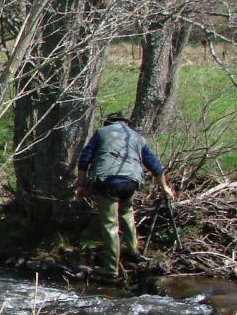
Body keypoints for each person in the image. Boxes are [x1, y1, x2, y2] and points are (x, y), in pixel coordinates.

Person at [75, 111, 175, 281]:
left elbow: (84, 160)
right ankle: (133, 250)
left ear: (108, 122)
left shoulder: (101, 133)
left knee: (109, 224)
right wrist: (164, 186)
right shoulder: (136, 137)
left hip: (107, 181)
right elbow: (155, 165)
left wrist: (81, 186)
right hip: (131, 182)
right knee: (127, 212)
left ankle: (111, 269)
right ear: (126, 123)